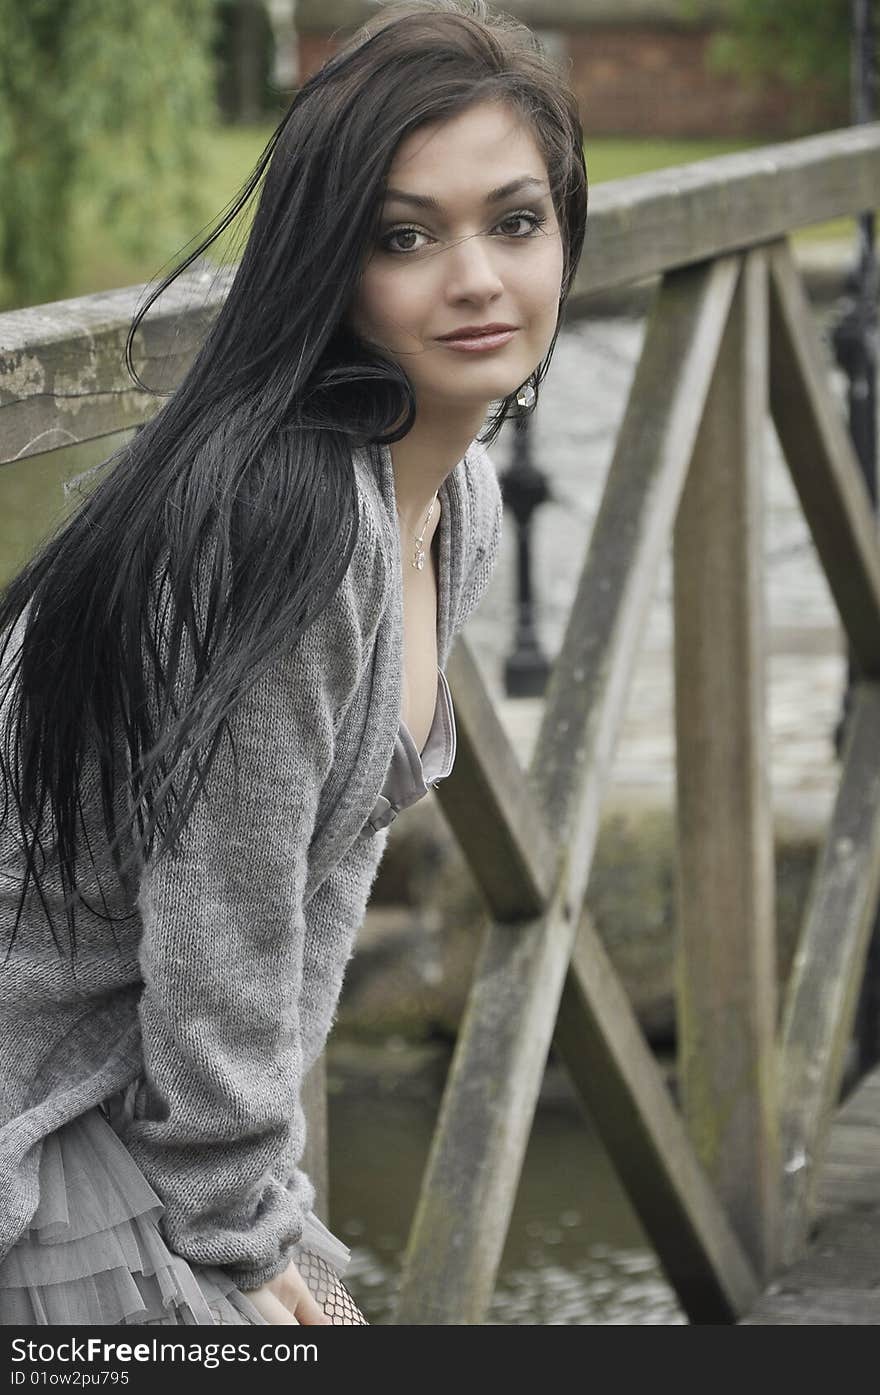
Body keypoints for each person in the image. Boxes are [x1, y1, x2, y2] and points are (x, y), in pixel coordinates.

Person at [0, 0, 587, 1325]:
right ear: (332, 264)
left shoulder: (455, 501)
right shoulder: (295, 516)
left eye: (515, 220)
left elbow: (323, 866)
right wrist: (236, 1218)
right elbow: (228, 907)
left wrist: (267, 1195)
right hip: (41, 1098)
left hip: (140, 1083)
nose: (479, 278)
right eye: (405, 236)